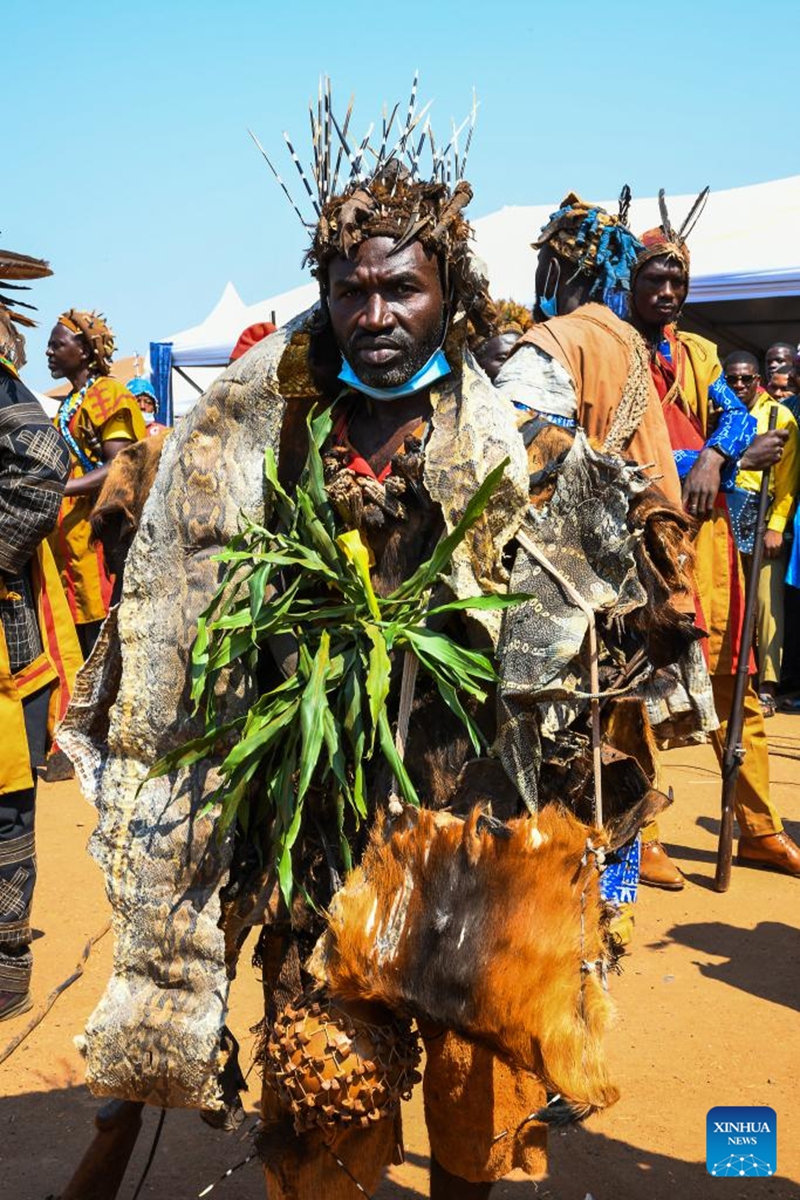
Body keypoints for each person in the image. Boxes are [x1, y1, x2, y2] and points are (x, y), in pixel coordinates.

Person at [58, 92, 684, 1200]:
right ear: (326, 297)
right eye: (351, 289)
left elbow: (593, 582)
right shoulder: (275, 427)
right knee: (320, 1078)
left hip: (461, 804)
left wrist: (632, 571)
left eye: (401, 287)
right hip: (313, 802)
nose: (374, 312)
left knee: (466, 1070)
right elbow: (195, 573)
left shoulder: (513, 437)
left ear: (447, 296)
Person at [627, 198, 800, 878]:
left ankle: (758, 826)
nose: (667, 293)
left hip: (712, 540)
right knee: (646, 688)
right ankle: (644, 833)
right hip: (645, 542)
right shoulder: (614, 353)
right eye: (654, 281)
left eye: (677, 282)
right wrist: (683, 464)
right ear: (631, 284)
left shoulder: (699, 352)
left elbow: (730, 419)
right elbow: (615, 451)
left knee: (738, 688)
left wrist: (716, 457)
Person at [0, 244, 80, 1020]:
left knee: (4, 806)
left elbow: (41, 462)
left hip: (6, 645)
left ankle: (5, 969)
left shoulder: (7, 394)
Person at [47, 311, 146, 656]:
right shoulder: (68, 406)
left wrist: (61, 489)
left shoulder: (108, 395)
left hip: (98, 543)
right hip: (70, 546)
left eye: (57, 345)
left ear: (85, 352)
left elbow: (119, 465)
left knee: (100, 643)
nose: (48, 352)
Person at [726, 351, 799, 716]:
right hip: (725, 517)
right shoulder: (721, 414)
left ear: (759, 380)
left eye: (746, 379)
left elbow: (788, 481)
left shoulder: (779, 416)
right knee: (733, 603)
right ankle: (735, 683)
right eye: (733, 378)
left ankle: (767, 687)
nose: (740, 385)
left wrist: (775, 527)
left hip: (762, 517)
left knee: (768, 606)